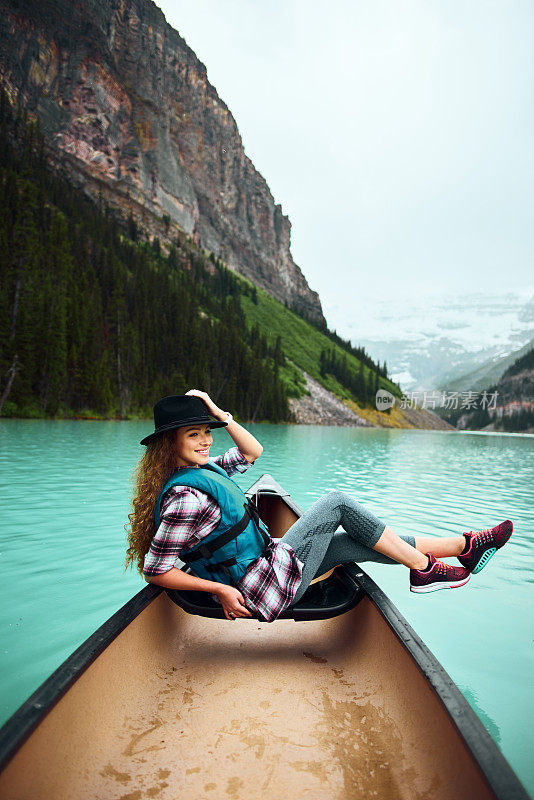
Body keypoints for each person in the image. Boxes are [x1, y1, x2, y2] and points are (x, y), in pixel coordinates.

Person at [125, 391, 513, 623]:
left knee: (350, 542)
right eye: (194, 435)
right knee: (336, 503)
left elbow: (252, 451)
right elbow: (155, 570)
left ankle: (465, 548)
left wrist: (220, 414)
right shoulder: (185, 499)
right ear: (168, 444)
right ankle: (425, 569)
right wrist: (219, 592)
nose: (206, 441)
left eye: (206, 432)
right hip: (258, 590)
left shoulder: (203, 469)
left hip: (267, 564)